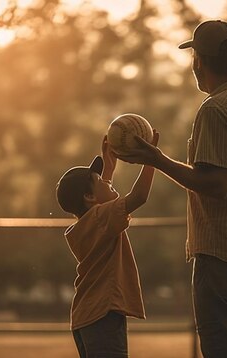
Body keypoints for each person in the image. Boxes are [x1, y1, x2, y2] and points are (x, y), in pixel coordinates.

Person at [116, 20, 227, 358]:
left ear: (199, 62)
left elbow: (216, 184)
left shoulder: (216, 109)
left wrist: (156, 159)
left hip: (223, 259)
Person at [55, 132, 159, 358]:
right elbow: (139, 196)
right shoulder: (102, 218)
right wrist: (153, 159)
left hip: (87, 316)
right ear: (89, 197)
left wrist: (109, 171)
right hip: (103, 314)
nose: (106, 180)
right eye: (99, 179)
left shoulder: (88, 223)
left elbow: (102, 198)